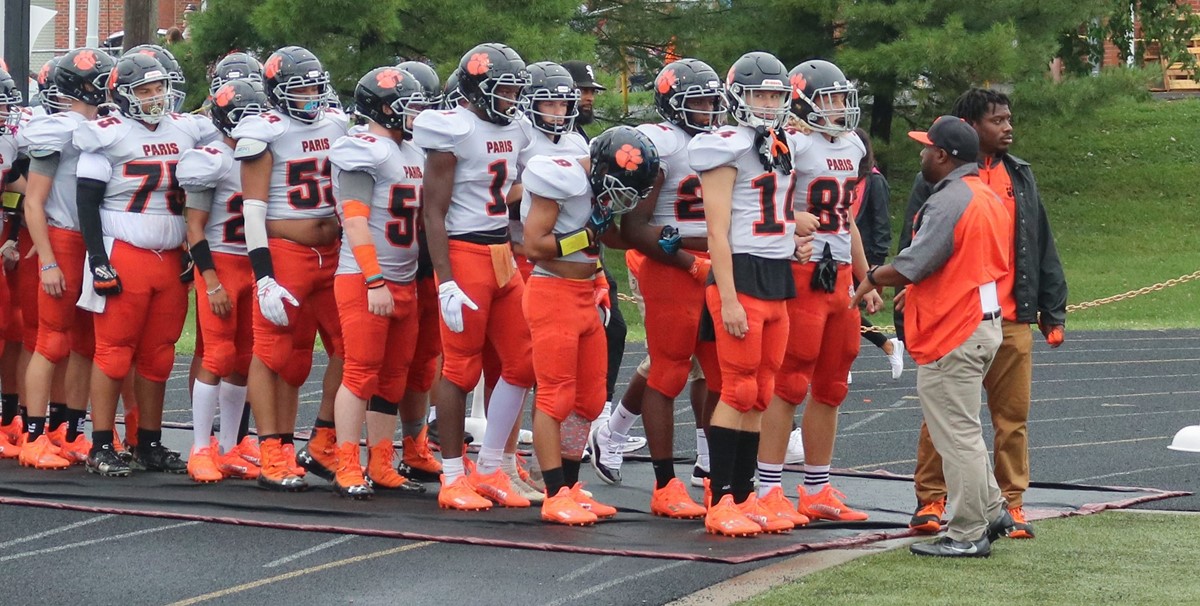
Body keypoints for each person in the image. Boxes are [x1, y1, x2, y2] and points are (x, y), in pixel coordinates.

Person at [851, 115, 1016, 557]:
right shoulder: (983, 194)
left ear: (943, 156)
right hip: (981, 320)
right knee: (964, 431)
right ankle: (994, 508)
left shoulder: (950, 200)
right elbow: (960, 265)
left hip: (957, 331)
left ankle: (967, 533)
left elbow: (913, 263)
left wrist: (871, 277)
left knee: (956, 435)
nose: (921, 154)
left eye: (926, 148)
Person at [906, 89, 1068, 539]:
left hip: (1010, 316)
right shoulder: (937, 174)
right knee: (944, 416)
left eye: (1008, 119)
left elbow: (1041, 243)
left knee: (1010, 418)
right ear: (971, 127)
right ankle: (931, 498)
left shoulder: (1020, 176)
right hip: (954, 317)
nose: (1008, 127)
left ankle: (1011, 503)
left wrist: (1052, 310)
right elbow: (915, 246)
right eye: (998, 120)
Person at [590, 58, 726, 520]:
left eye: (713, 100)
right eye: (698, 101)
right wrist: (691, 263)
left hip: (716, 263)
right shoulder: (661, 146)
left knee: (719, 375)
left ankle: (713, 477)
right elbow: (635, 227)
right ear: (673, 104)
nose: (709, 110)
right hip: (672, 265)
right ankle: (664, 483)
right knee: (669, 369)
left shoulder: (724, 142)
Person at [689, 51, 809, 536]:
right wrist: (730, 297)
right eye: (759, 93)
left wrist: (793, 230)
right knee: (737, 389)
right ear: (739, 96)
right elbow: (718, 232)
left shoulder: (782, 144)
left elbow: (767, 210)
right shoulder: (724, 146)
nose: (767, 102)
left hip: (775, 274)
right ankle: (720, 500)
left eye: (775, 94)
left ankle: (745, 497)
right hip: (738, 276)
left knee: (761, 393)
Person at [413, 42, 535, 511]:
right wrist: (444, 279)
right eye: (502, 90)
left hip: (501, 251)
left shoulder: (519, 129)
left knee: (522, 362)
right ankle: (450, 474)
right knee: (460, 367)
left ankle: (488, 467)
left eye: (514, 90)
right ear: (478, 90)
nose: (511, 99)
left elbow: (508, 185)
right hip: (464, 252)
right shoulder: (454, 130)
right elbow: (434, 213)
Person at [76, 52, 210, 476]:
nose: (155, 98)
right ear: (123, 94)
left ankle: (147, 441)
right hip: (124, 253)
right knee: (114, 354)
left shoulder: (186, 130)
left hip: (170, 256)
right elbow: (87, 203)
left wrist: (190, 249)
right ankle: (100, 443)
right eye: (144, 91)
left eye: (159, 89)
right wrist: (97, 258)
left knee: (159, 355)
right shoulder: (106, 134)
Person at [761, 59, 880, 524]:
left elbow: (846, 217)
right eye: (829, 98)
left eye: (840, 98)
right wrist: (792, 226)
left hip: (841, 276)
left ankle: (816, 488)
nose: (839, 108)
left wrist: (866, 274)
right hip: (801, 273)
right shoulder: (789, 144)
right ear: (805, 101)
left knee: (832, 385)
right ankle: (769, 487)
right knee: (790, 381)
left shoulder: (850, 145)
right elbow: (761, 205)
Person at [521, 125, 657, 524]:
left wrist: (654, 240)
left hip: (583, 295)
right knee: (555, 396)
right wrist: (583, 237)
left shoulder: (598, 182)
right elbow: (534, 245)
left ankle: (571, 485)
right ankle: (552, 491)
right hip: (552, 293)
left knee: (590, 398)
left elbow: (606, 237)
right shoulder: (561, 177)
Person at [231, 45, 349, 491]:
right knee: (274, 352)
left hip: (333, 254)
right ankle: (270, 451)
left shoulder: (337, 123)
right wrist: (263, 276)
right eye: (301, 89)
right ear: (279, 93)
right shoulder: (264, 131)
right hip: (286, 254)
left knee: (348, 348)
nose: (313, 96)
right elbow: (254, 211)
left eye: (317, 86)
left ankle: (321, 439)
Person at [325, 67, 434, 499]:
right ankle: (347, 463)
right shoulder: (363, 148)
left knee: (393, 377)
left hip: (403, 278)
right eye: (408, 104)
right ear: (383, 108)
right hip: (365, 278)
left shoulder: (412, 151)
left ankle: (382, 461)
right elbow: (354, 221)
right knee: (360, 372)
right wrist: (374, 279)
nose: (416, 113)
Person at [16, 48, 115, 469]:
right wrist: (49, 261)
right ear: (84, 86)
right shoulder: (55, 131)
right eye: (104, 81)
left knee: (87, 344)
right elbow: (34, 203)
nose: (112, 89)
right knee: (51, 341)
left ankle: (68, 431)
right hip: (65, 239)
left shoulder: (111, 127)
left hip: (99, 242)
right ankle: (33, 435)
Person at [177, 78, 269, 483]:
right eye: (243, 116)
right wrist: (211, 281)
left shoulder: (265, 153)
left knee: (244, 359)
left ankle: (230, 446)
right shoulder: (210, 159)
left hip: (253, 264)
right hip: (221, 265)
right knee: (216, 356)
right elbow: (194, 228)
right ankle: (200, 447)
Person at [562, 60, 629, 426]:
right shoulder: (540, 137)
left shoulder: (583, 140)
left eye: (590, 91)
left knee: (612, 328)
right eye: (580, 90)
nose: (587, 97)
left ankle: (597, 417)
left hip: (589, 251)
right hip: (551, 255)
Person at [850, 127, 904, 380]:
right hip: (844, 255)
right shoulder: (846, 178)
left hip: (866, 256)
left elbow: (881, 223)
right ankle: (888, 346)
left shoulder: (875, 181)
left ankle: (887, 346)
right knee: (845, 310)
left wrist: (876, 265)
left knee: (847, 309)